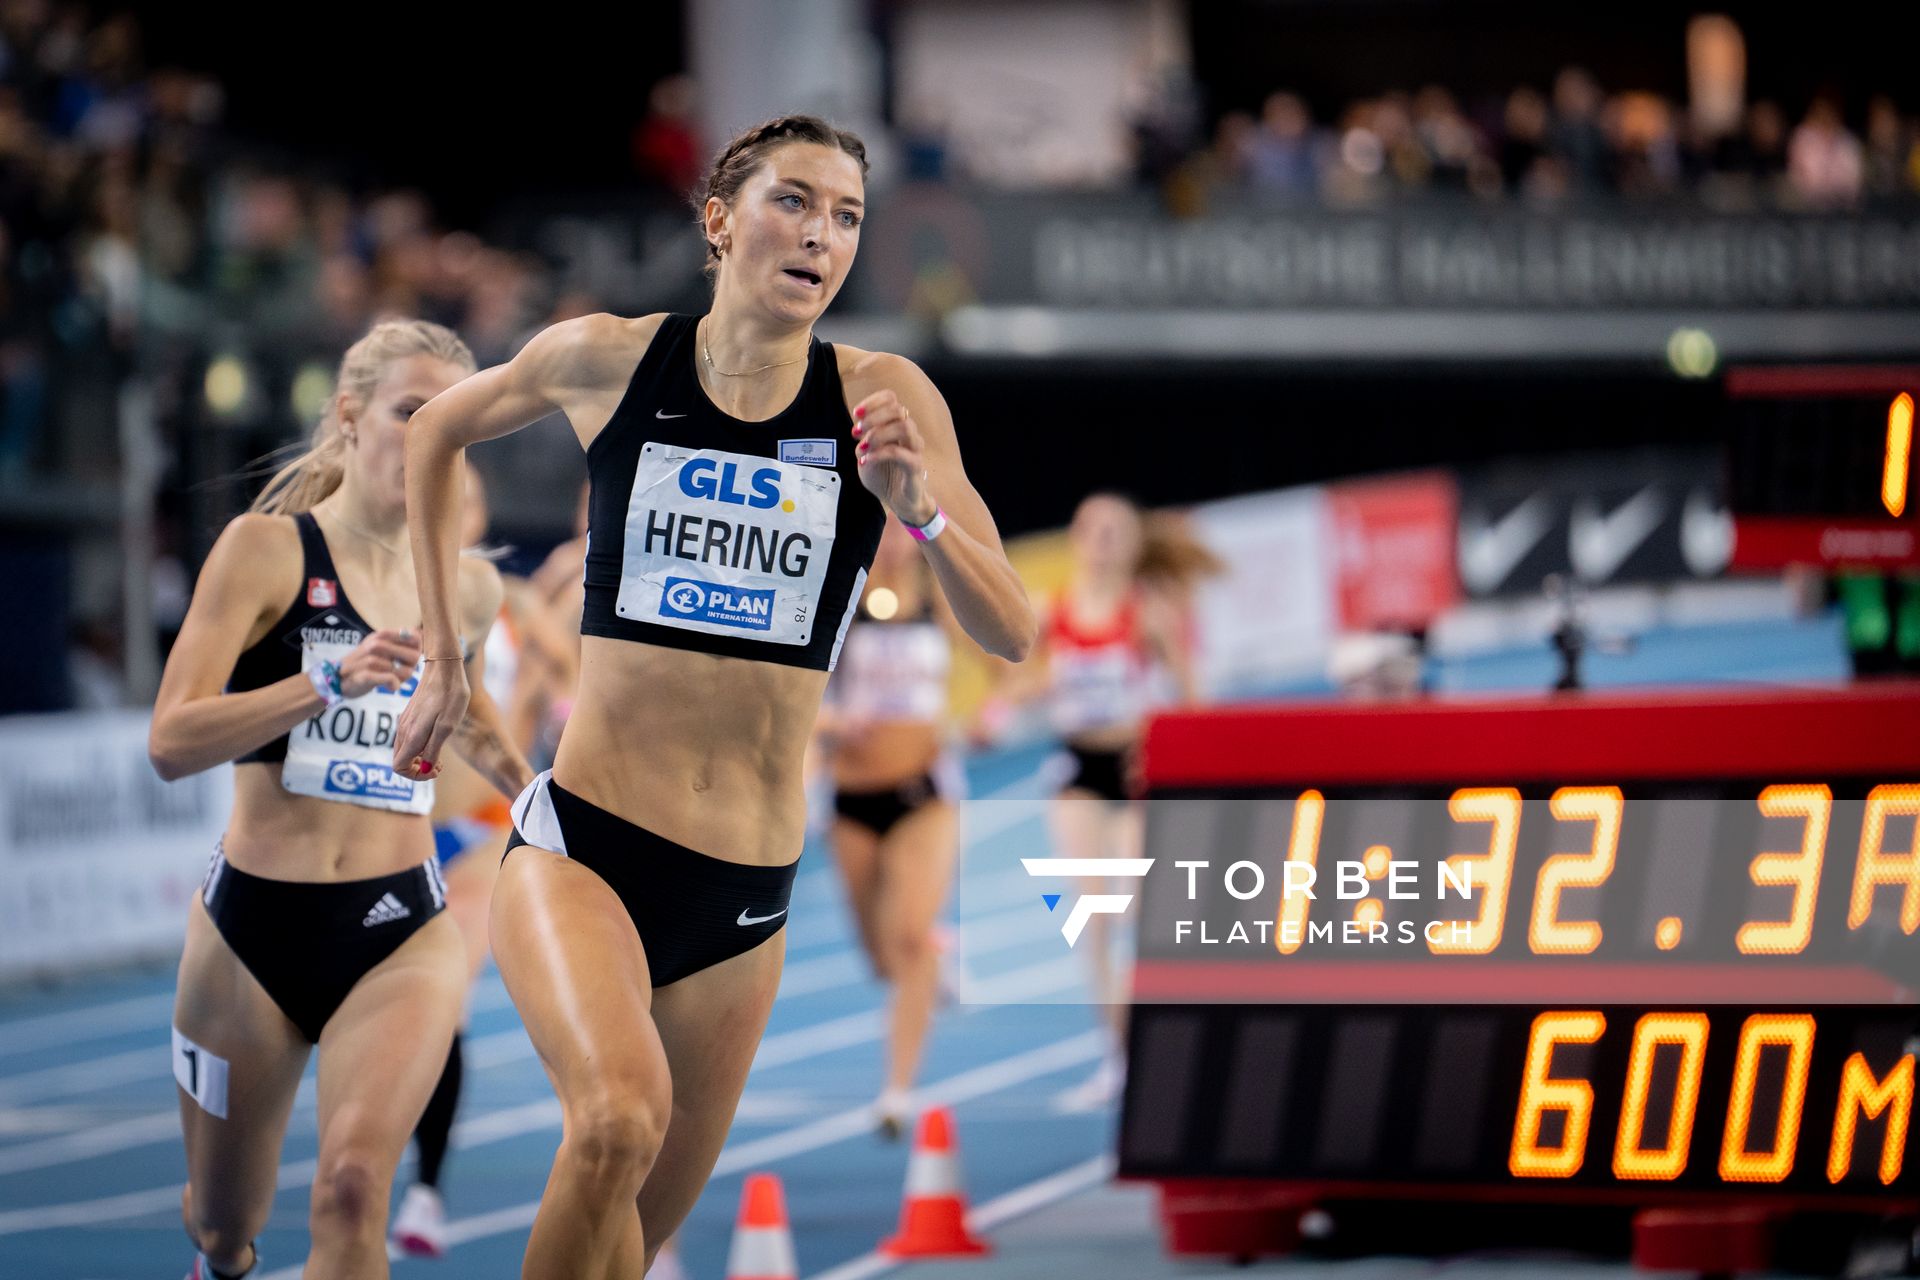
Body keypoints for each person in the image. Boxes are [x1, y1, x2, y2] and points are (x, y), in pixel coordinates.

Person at [392, 115, 1034, 1277]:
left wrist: (917, 507)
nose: (821, 235)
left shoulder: (885, 398)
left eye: (845, 216)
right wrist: (445, 653)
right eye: (794, 201)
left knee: (630, 1239)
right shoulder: (609, 357)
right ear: (722, 219)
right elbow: (436, 430)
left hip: (742, 891)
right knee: (616, 1121)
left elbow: (1012, 629)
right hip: (585, 841)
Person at [147, 320, 534, 1280]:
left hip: (398, 926)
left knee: (354, 1189)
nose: (430, 435)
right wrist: (326, 683)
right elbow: (170, 740)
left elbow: (471, 722)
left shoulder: (469, 589)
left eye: (453, 420)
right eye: (411, 411)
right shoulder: (265, 552)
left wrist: (548, 808)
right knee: (221, 1225)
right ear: (350, 416)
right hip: (250, 931)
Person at [1001, 494, 1202, 1110]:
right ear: (1077, 540)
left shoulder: (1149, 614)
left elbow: (1192, 698)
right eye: (1091, 530)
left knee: (1142, 913)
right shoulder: (1050, 610)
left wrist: (1166, 746)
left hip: (1136, 770)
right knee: (1090, 920)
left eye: (1114, 531)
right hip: (1079, 771)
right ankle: (1118, 1059)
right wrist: (1028, 692)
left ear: (1134, 544)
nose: (1101, 541)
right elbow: (1019, 684)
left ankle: (1166, 1038)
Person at [819, 517, 963, 1137]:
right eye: (882, 534)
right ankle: (930, 962)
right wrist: (834, 722)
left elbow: (1005, 664)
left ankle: (895, 1093)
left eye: (904, 535)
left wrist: (990, 715)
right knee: (882, 958)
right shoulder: (839, 605)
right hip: (852, 801)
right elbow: (799, 692)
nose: (894, 547)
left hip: (924, 795)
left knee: (906, 939)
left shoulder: (938, 603)